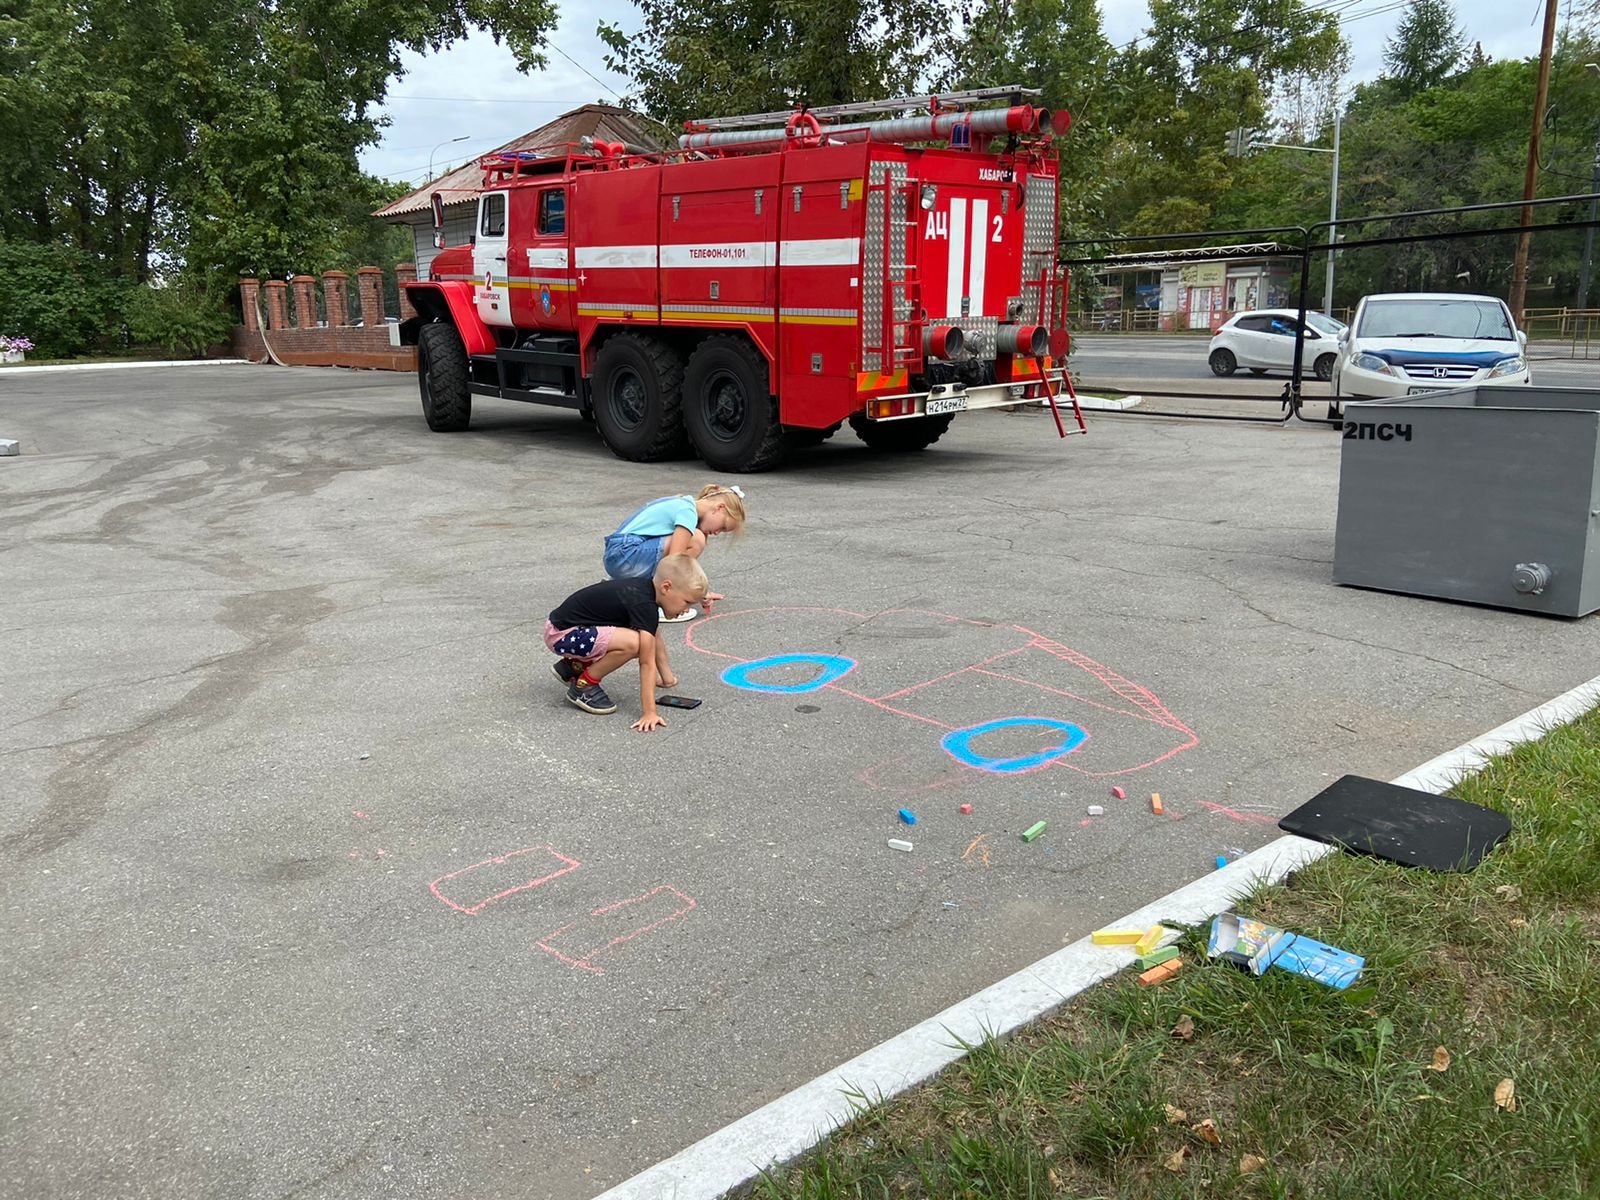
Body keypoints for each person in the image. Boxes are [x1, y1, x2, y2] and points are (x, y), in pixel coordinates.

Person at [544, 553, 708, 732]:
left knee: (644, 636)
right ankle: (584, 686)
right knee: (635, 644)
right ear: (666, 587)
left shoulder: (644, 591)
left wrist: (667, 678)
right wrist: (649, 712)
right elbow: (646, 662)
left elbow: (654, 634)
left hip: (564, 629)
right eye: (687, 602)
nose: (687, 609)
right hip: (563, 635)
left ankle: (571, 667)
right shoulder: (644, 604)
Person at [602, 484, 745, 620]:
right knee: (696, 540)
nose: (717, 532)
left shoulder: (680, 502)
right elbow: (674, 562)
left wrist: (701, 593)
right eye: (723, 527)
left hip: (619, 555)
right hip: (625, 554)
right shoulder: (688, 511)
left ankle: (621, 590)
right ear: (720, 508)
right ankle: (661, 603)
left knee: (693, 540)